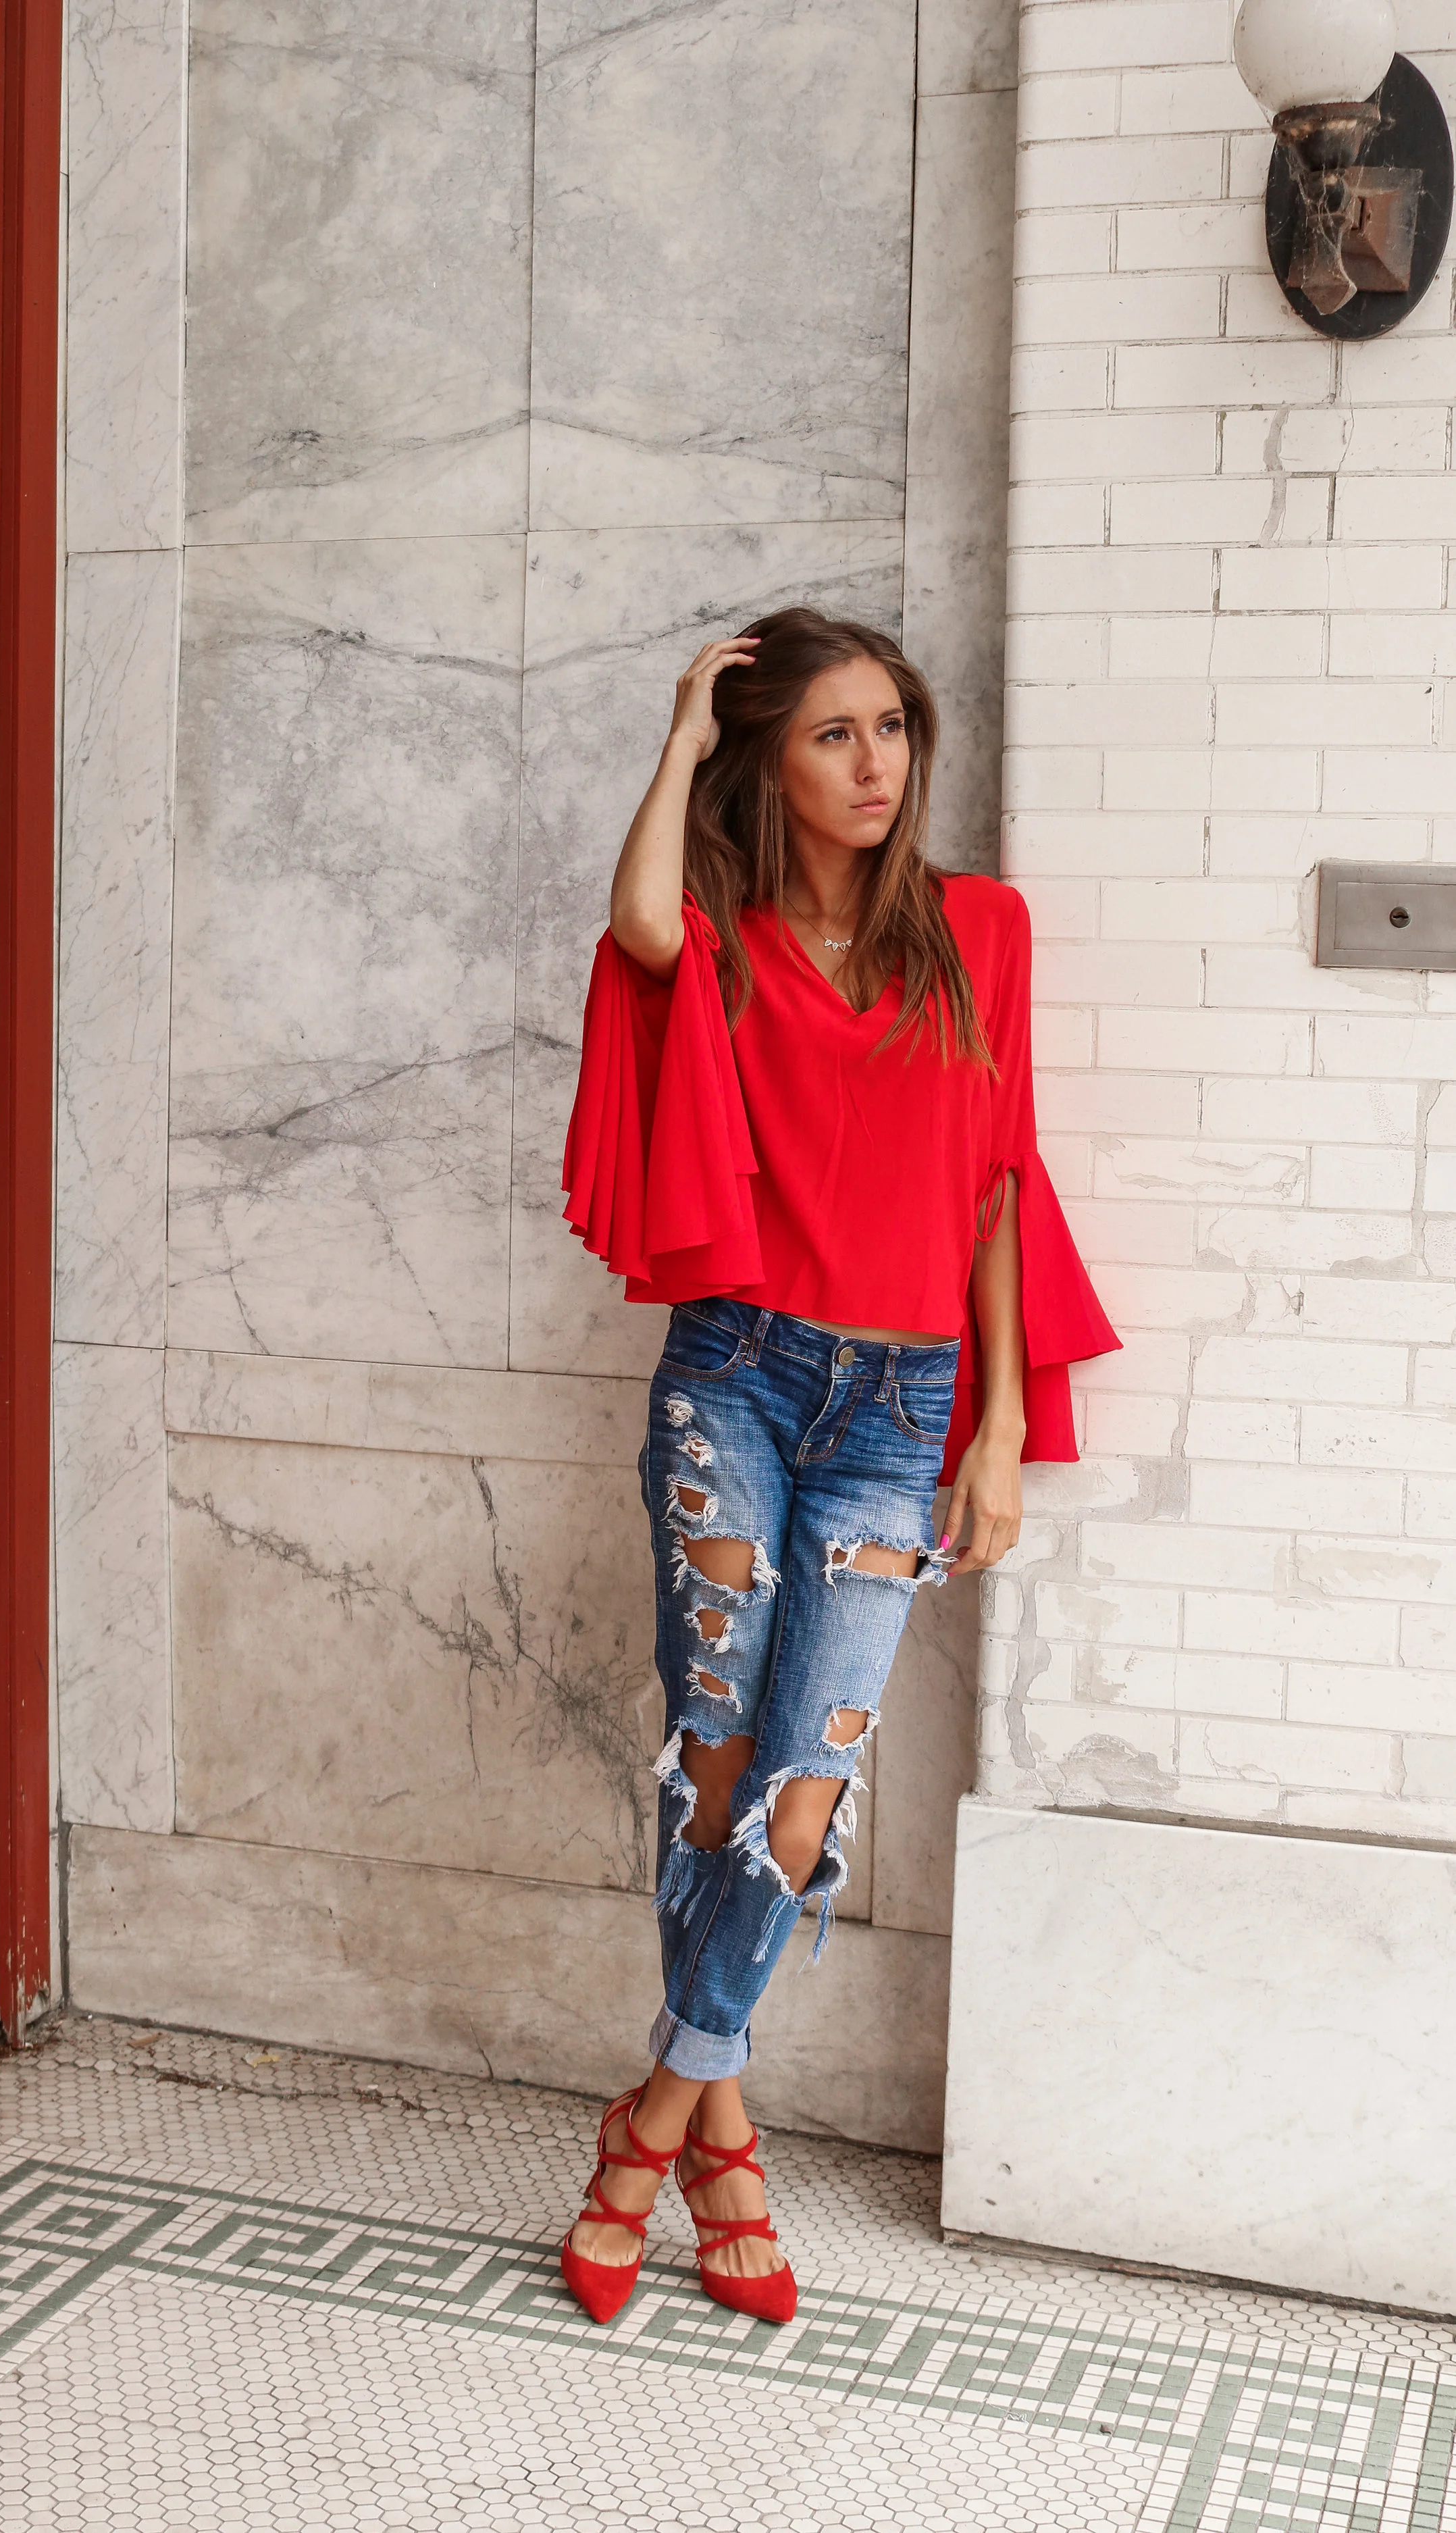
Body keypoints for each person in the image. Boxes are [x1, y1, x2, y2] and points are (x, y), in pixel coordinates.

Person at [556, 607, 1118, 2327]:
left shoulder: (976, 930)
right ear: (767, 763)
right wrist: (678, 732)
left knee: (803, 1791)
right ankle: (723, 2146)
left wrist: (996, 1428)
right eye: (832, 735)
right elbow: (636, 923)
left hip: (897, 1406)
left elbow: (998, 1180)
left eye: (890, 729)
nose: (875, 765)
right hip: (731, 1378)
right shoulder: (720, 940)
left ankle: (655, 2125)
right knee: (717, 1770)